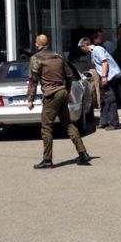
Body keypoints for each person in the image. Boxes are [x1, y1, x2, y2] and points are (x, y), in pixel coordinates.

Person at [27, 34, 91, 169]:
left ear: (38, 45)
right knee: (68, 125)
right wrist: (66, 92)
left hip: (51, 95)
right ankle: (83, 153)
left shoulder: (36, 58)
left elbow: (33, 80)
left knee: (46, 127)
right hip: (62, 92)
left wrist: (30, 99)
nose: (35, 45)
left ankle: (47, 159)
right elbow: (69, 76)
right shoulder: (59, 56)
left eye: (36, 44)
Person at [78, 36, 121, 131]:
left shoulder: (97, 49)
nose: (81, 49)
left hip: (109, 77)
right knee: (103, 99)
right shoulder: (93, 52)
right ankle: (104, 122)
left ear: (85, 45)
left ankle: (115, 124)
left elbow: (104, 62)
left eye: (81, 47)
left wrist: (104, 76)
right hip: (105, 77)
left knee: (110, 99)